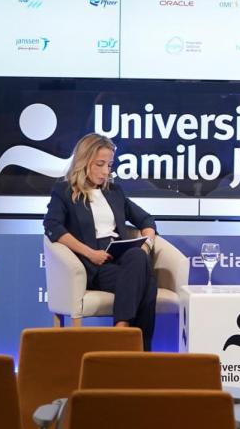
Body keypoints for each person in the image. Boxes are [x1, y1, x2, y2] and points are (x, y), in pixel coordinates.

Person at [44, 133, 159, 350]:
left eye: (110, 165)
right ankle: (140, 352)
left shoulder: (114, 192)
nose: (106, 171)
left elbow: (146, 220)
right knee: (148, 284)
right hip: (95, 265)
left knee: (137, 255)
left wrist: (146, 245)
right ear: (84, 161)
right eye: (100, 164)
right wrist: (89, 253)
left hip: (124, 260)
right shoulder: (64, 192)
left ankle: (121, 331)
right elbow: (52, 226)